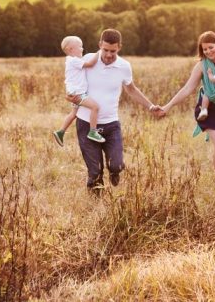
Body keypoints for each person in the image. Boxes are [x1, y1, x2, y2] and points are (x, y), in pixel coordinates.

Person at [66, 28, 159, 192]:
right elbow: (72, 78)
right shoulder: (86, 60)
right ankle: (96, 211)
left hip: (111, 125)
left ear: (120, 47)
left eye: (113, 51)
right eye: (106, 50)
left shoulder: (124, 66)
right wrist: (71, 95)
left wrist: (150, 106)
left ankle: (114, 172)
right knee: (94, 173)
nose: (109, 54)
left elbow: (132, 90)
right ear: (100, 44)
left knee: (116, 165)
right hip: (86, 124)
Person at [155, 31, 215, 185]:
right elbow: (187, 89)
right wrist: (168, 106)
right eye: (204, 49)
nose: (208, 51)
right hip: (209, 110)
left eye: (211, 47)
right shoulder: (202, 66)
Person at [53, 36, 104, 146]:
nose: (82, 49)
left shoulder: (71, 61)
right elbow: (90, 64)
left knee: (74, 113)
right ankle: (93, 132)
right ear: (70, 49)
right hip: (78, 93)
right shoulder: (73, 61)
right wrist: (100, 51)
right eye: (80, 47)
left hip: (74, 92)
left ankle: (60, 132)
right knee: (95, 107)